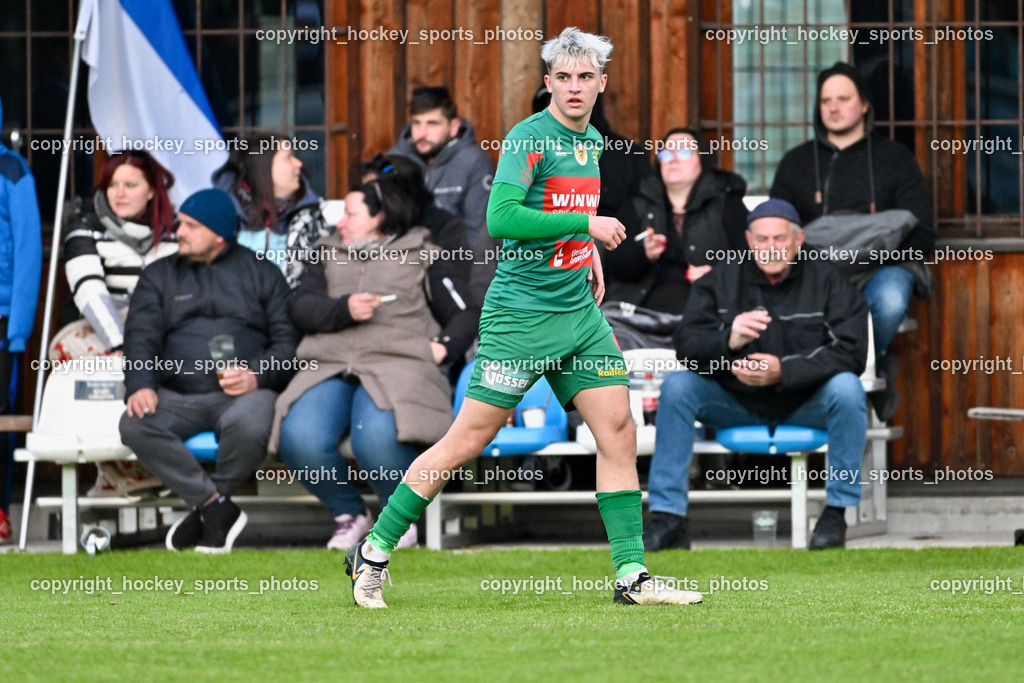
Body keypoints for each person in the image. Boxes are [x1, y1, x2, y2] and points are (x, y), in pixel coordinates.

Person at [345, 27, 703, 608]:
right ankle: (375, 548)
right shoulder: (528, 139)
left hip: (578, 312)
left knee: (618, 430)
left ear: (601, 84)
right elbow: (503, 217)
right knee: (469, 439)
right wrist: (584, 228)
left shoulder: (592, 143)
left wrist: (583, 255)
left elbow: (557, 214)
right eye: (563, 78)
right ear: (548, 83)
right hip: (522, 315)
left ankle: (632, 578)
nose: (574, 88)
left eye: (585, 77)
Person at [643, 199, 869, 552]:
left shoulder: (828, 277)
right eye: (761, 240)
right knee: (678, 386)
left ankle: (836, 513)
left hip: (804, 400)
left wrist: (784, 371)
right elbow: (686, 345)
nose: (770, 248)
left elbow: (852, 352)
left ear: (799, 239)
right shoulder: (721, 277)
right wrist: (728, 342)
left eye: (779, 239)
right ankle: (669, 516)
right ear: (749, 241)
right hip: (734, 399)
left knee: (848, 389)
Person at [270, 179, 455, 551]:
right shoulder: (324, 253)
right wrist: (344, 309)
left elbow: (462, 311)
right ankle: (350, 515)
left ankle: (396, 521)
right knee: (299, 435)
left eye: (351, 214)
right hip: (329, 362)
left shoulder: (422, 251)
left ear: (380, 217)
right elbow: (300, 308)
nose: (341, 223)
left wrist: (445, 348)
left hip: (398, 362)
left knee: (377, 438)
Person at [119, 189, 297, 553]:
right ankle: (216, 506)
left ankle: (210, 510)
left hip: (241, 397)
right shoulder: (158, 276)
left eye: (190, 225)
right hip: (175, 395)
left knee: (253, 419)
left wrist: (257, 375)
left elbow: (288, 345)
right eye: (180, 223)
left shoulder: (263, 273)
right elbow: (140, 339)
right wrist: (140, 384)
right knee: (134, 423)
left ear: (219, 233)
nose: (178, 232)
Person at [770, 61, 934, 418]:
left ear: (864, 105)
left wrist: (878, 253)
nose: (833, 106)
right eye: (826, 99)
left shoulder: (896, 160)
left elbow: (923, 231)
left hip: (881, 269)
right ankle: (871, 370)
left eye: (844, 98)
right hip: (815, 274)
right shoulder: (795, 163)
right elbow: (775, 225)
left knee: (890, 300)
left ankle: (848, 369)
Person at [61, 151, 178, 497]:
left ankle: (160, 468)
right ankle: (122, 472)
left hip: (157, 328)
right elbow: (89, 291)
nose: (119, 193)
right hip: (97, 328)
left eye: (130, 184)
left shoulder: (173, 231)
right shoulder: (84, 225)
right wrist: (120, 345)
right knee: (96, 364)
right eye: (113, 185)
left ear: (153, 190)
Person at [605, 128, 748, 315]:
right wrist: (643, 254)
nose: (673, 159)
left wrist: (717, 276)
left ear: (702, 160)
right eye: (665, 153)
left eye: (683, 151)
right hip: (638, 316)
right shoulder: (637, 207)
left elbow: (749, 260)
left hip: (707, 315)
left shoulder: (727, 206)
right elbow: (613, 265)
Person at [360, 154, 479, 365]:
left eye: (373, 195)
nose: (366, 202)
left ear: (396, 196)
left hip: (423, 337)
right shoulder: (356, 231)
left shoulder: (445, 228)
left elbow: (457, 300)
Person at [0, 93, 42, 544]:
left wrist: (18, 331)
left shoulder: (13, 170)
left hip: (2, 313)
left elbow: (30, 252)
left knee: (0, 417)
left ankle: (0, 511)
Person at [212, 134, 329, 288]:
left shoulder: (311, 216)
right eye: (288, 157)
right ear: (261, 166)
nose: (299, 163)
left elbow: (317, 281)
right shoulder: (220, 214)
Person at [387, 86, 494, 243]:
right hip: (401, 258)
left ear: (453, 127)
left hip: (455, 258)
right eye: (416, 123)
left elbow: (478, 231)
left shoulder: (473, 162)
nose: (422, 133)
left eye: (432, 124)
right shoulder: (393, 161)